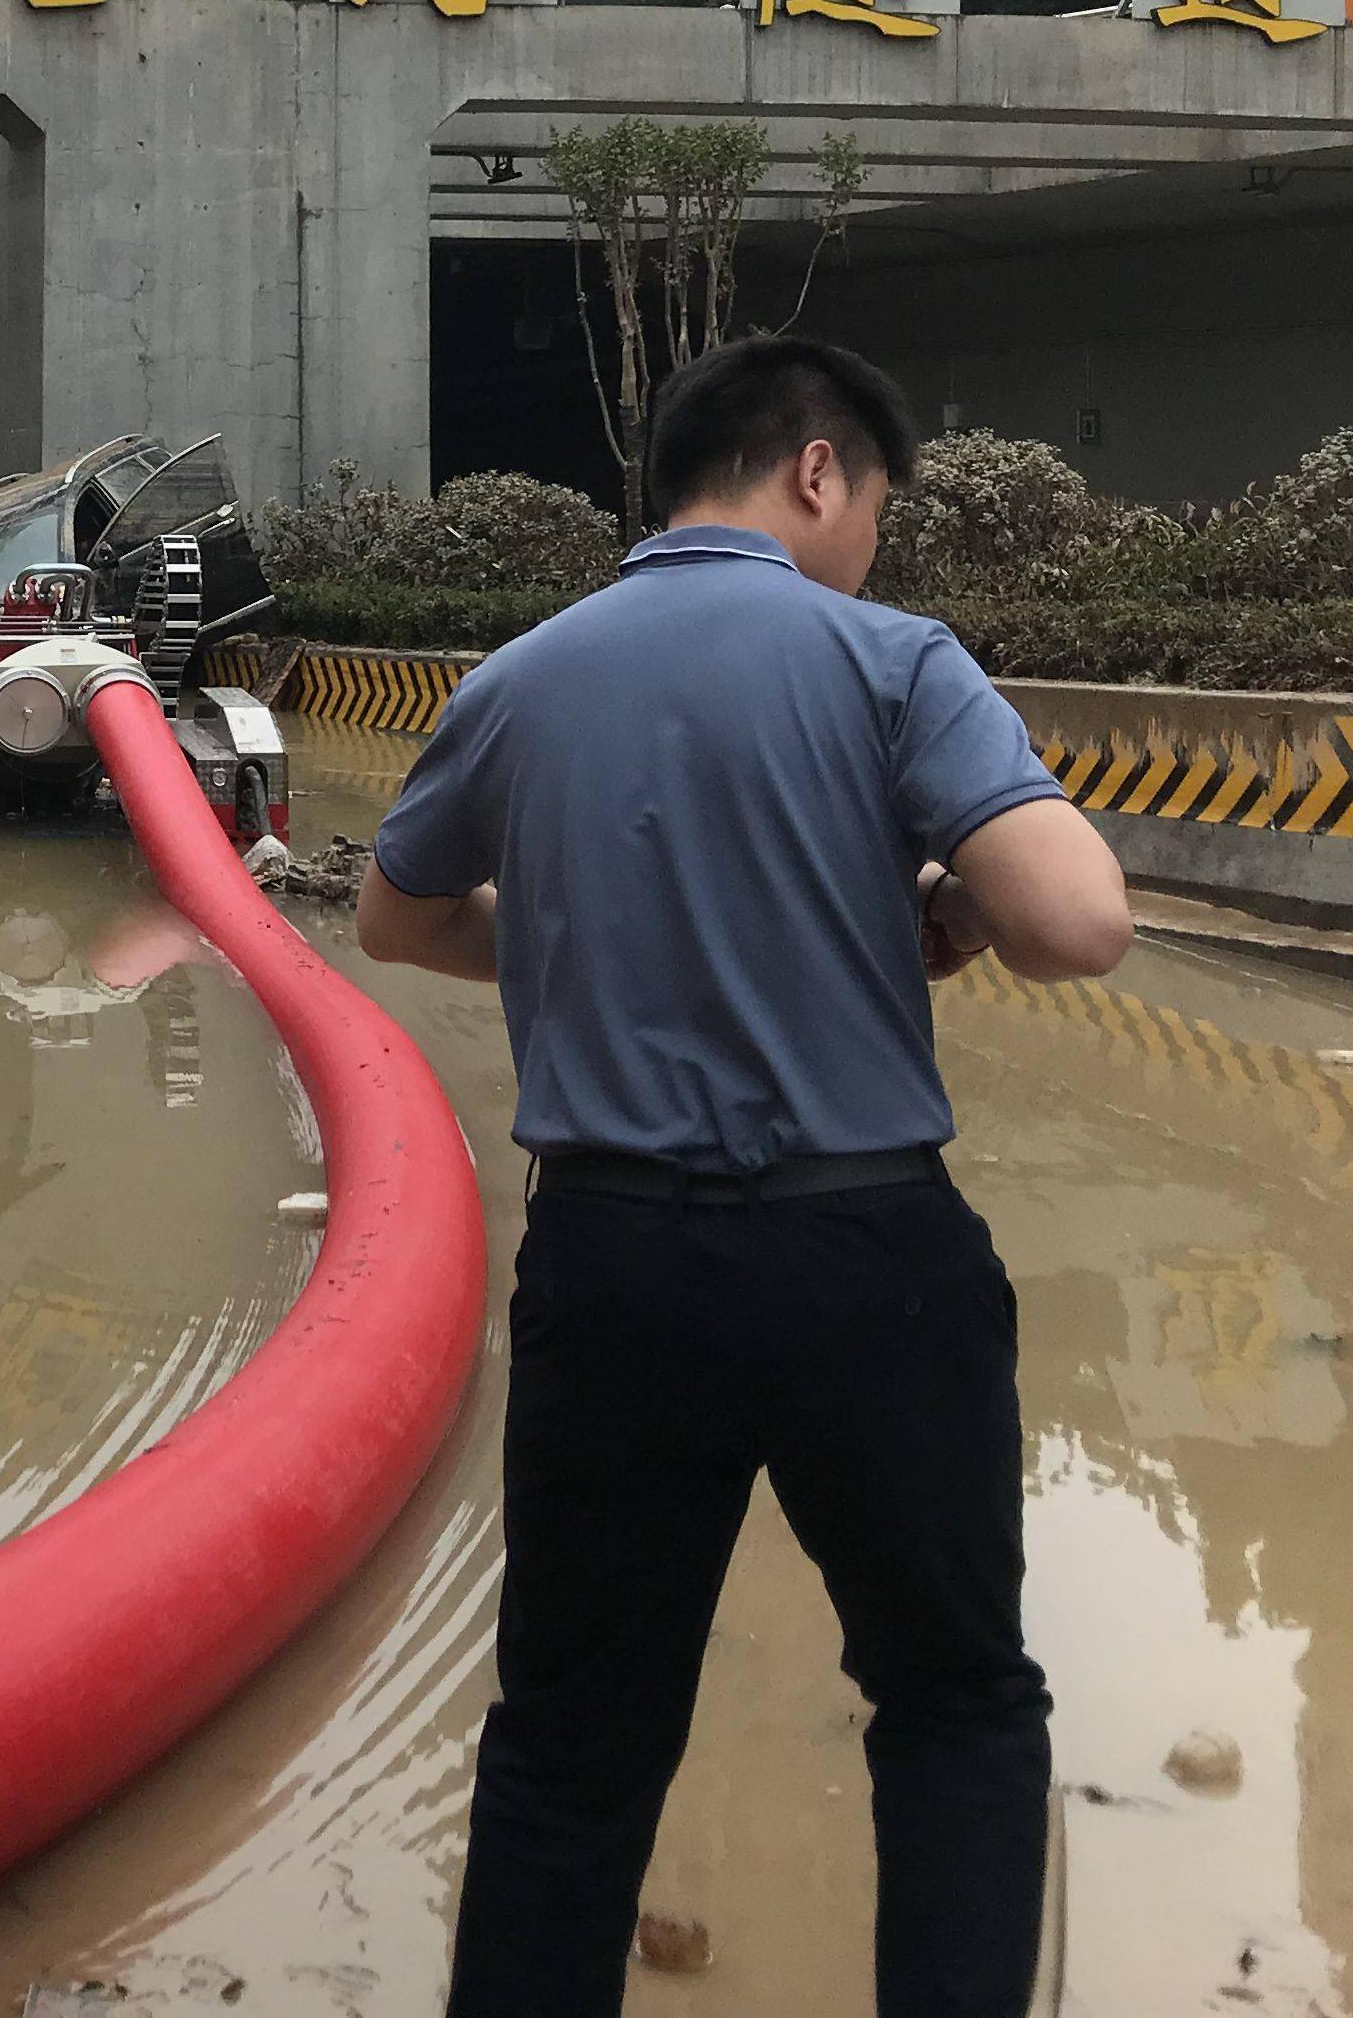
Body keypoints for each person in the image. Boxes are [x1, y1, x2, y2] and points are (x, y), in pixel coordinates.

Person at [356, 335, 1131, 2018]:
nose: (872, 550)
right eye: (876, 510)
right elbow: (1082, 923)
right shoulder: (892, 661)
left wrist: (580, 944)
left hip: (610, 1270)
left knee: (568, 1749)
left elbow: (397, 921)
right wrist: (950, 901)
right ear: (815, 471)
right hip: (868, 1263)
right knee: (954, 1708)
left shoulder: (524, 677)